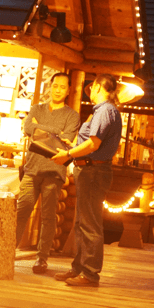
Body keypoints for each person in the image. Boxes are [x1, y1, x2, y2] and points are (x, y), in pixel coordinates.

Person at [51, 74, 122, 287]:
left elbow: (93, 144)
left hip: (93, 172)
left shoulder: (105, 110)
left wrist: (70, 153)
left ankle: (90, 273)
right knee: (83, 222)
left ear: (99, 87)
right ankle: (79, 268)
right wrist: (72, 146)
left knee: (89, 223)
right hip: (91, 171)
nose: (89, 92)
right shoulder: (105, 111)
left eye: (92, 88)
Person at [15, 72, 80, 275]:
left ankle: (41, 259)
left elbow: (65, 138)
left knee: (48, 217)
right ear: (50, 87)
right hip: (31, 169)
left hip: (54, 170)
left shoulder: (72, 116)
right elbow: (28, 129)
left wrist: (40, 128)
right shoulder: (36, 108)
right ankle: (8, 251)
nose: (58, 90)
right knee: (21, 211)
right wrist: (53, 132)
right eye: (55, 86)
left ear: (68, 90)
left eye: (62, 87)